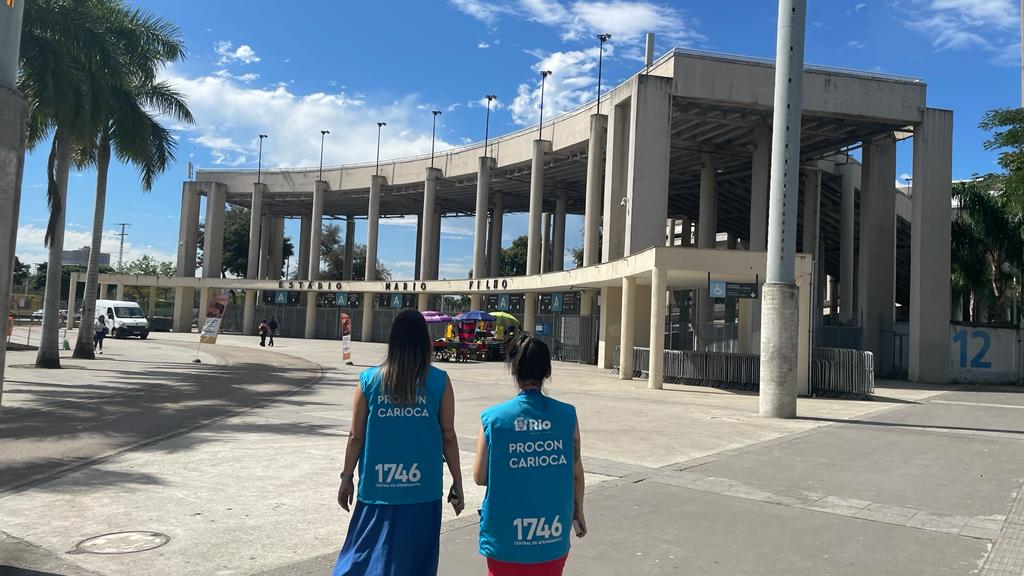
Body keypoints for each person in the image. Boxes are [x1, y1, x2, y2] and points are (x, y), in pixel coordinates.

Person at [333, 309, 464, 576]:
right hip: (422, 489)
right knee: (415, 562)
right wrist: (457, 482)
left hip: (377, 488)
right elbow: (448, 435)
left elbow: (356, 435)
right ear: (424, 340)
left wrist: (347, 478)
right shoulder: (439, 381)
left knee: (364, 556)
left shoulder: (369, 380)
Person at [474, 334, 586, 576]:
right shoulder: (567, 416)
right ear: (547, 371)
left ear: (514, 370)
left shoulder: (493, 419)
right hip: (551, 535)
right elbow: (575, 473)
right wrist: (579, 510)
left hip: (505, 538)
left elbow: (480, 476)